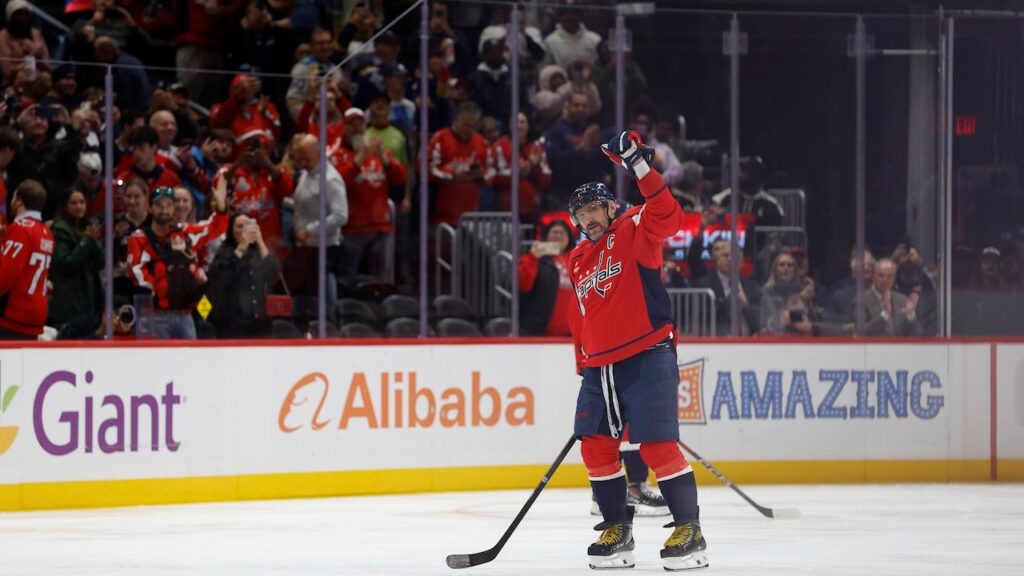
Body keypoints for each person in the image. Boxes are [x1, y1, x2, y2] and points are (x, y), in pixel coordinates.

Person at [568, 131, 708, 570]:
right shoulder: (576, 259)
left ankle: (690, 530)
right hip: (599, 366)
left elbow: (670, 218)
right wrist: (583, 359)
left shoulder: (634, 228)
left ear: (611, 206)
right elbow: (582, 314)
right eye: (580, 213)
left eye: (594, 208)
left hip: (647, 353)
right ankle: (617, 529)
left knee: (656, 446)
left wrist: (639, 166)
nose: (588, 218)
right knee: (594, 446)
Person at [207, 214, 282, 339]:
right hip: (232, 322)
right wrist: (242, 245)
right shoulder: (225, 253)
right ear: (232, 230)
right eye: (239, 226)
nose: (243, 230)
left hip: (261, 321)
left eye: (247, 226)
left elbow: (275, 273)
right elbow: (224, 276)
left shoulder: (260, 253)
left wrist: (260, 240)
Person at [0, 180, 54, 340]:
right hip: (36, 313)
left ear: (19, 200)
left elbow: (8, 272)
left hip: (14, 313)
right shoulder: (46, 232)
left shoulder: (20, 228)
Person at [47, 188, 103, 329]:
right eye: (74, 203)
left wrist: (93, 242)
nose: (79, 206)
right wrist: (87, 241)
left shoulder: (88, 228)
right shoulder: (59, 230)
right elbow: (66, 264)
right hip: (68, 299)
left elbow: (100, 263)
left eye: (82, 202)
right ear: (65, 206)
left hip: (89, 297)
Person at [518, 219, 574, 336]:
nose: (558, 236)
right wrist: (532, 257)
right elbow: (523, 285)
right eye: (554, 232)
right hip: (540, 331)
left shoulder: (577, 259)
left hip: (573, 331)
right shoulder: (533, 258)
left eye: (562, 233)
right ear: (546, 236)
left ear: (569, 238)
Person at [861, 257, 920, 337]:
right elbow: (861, 332)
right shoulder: (861, 301)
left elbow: (917, 335)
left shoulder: (903, 300)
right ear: (873, 276)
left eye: (889, 276)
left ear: (894, 278)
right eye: (881, 275)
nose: (885, 280)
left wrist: (910, 315)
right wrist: (885, 315)